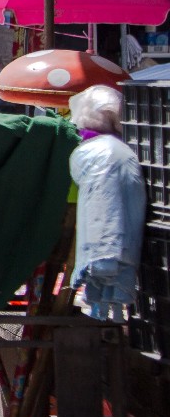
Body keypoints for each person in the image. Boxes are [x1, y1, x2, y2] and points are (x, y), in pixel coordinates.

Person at [68, 85, 146, 322]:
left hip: (99, 249)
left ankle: (101, 301)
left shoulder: (90, 149)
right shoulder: (117, 150)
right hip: (116, 252)